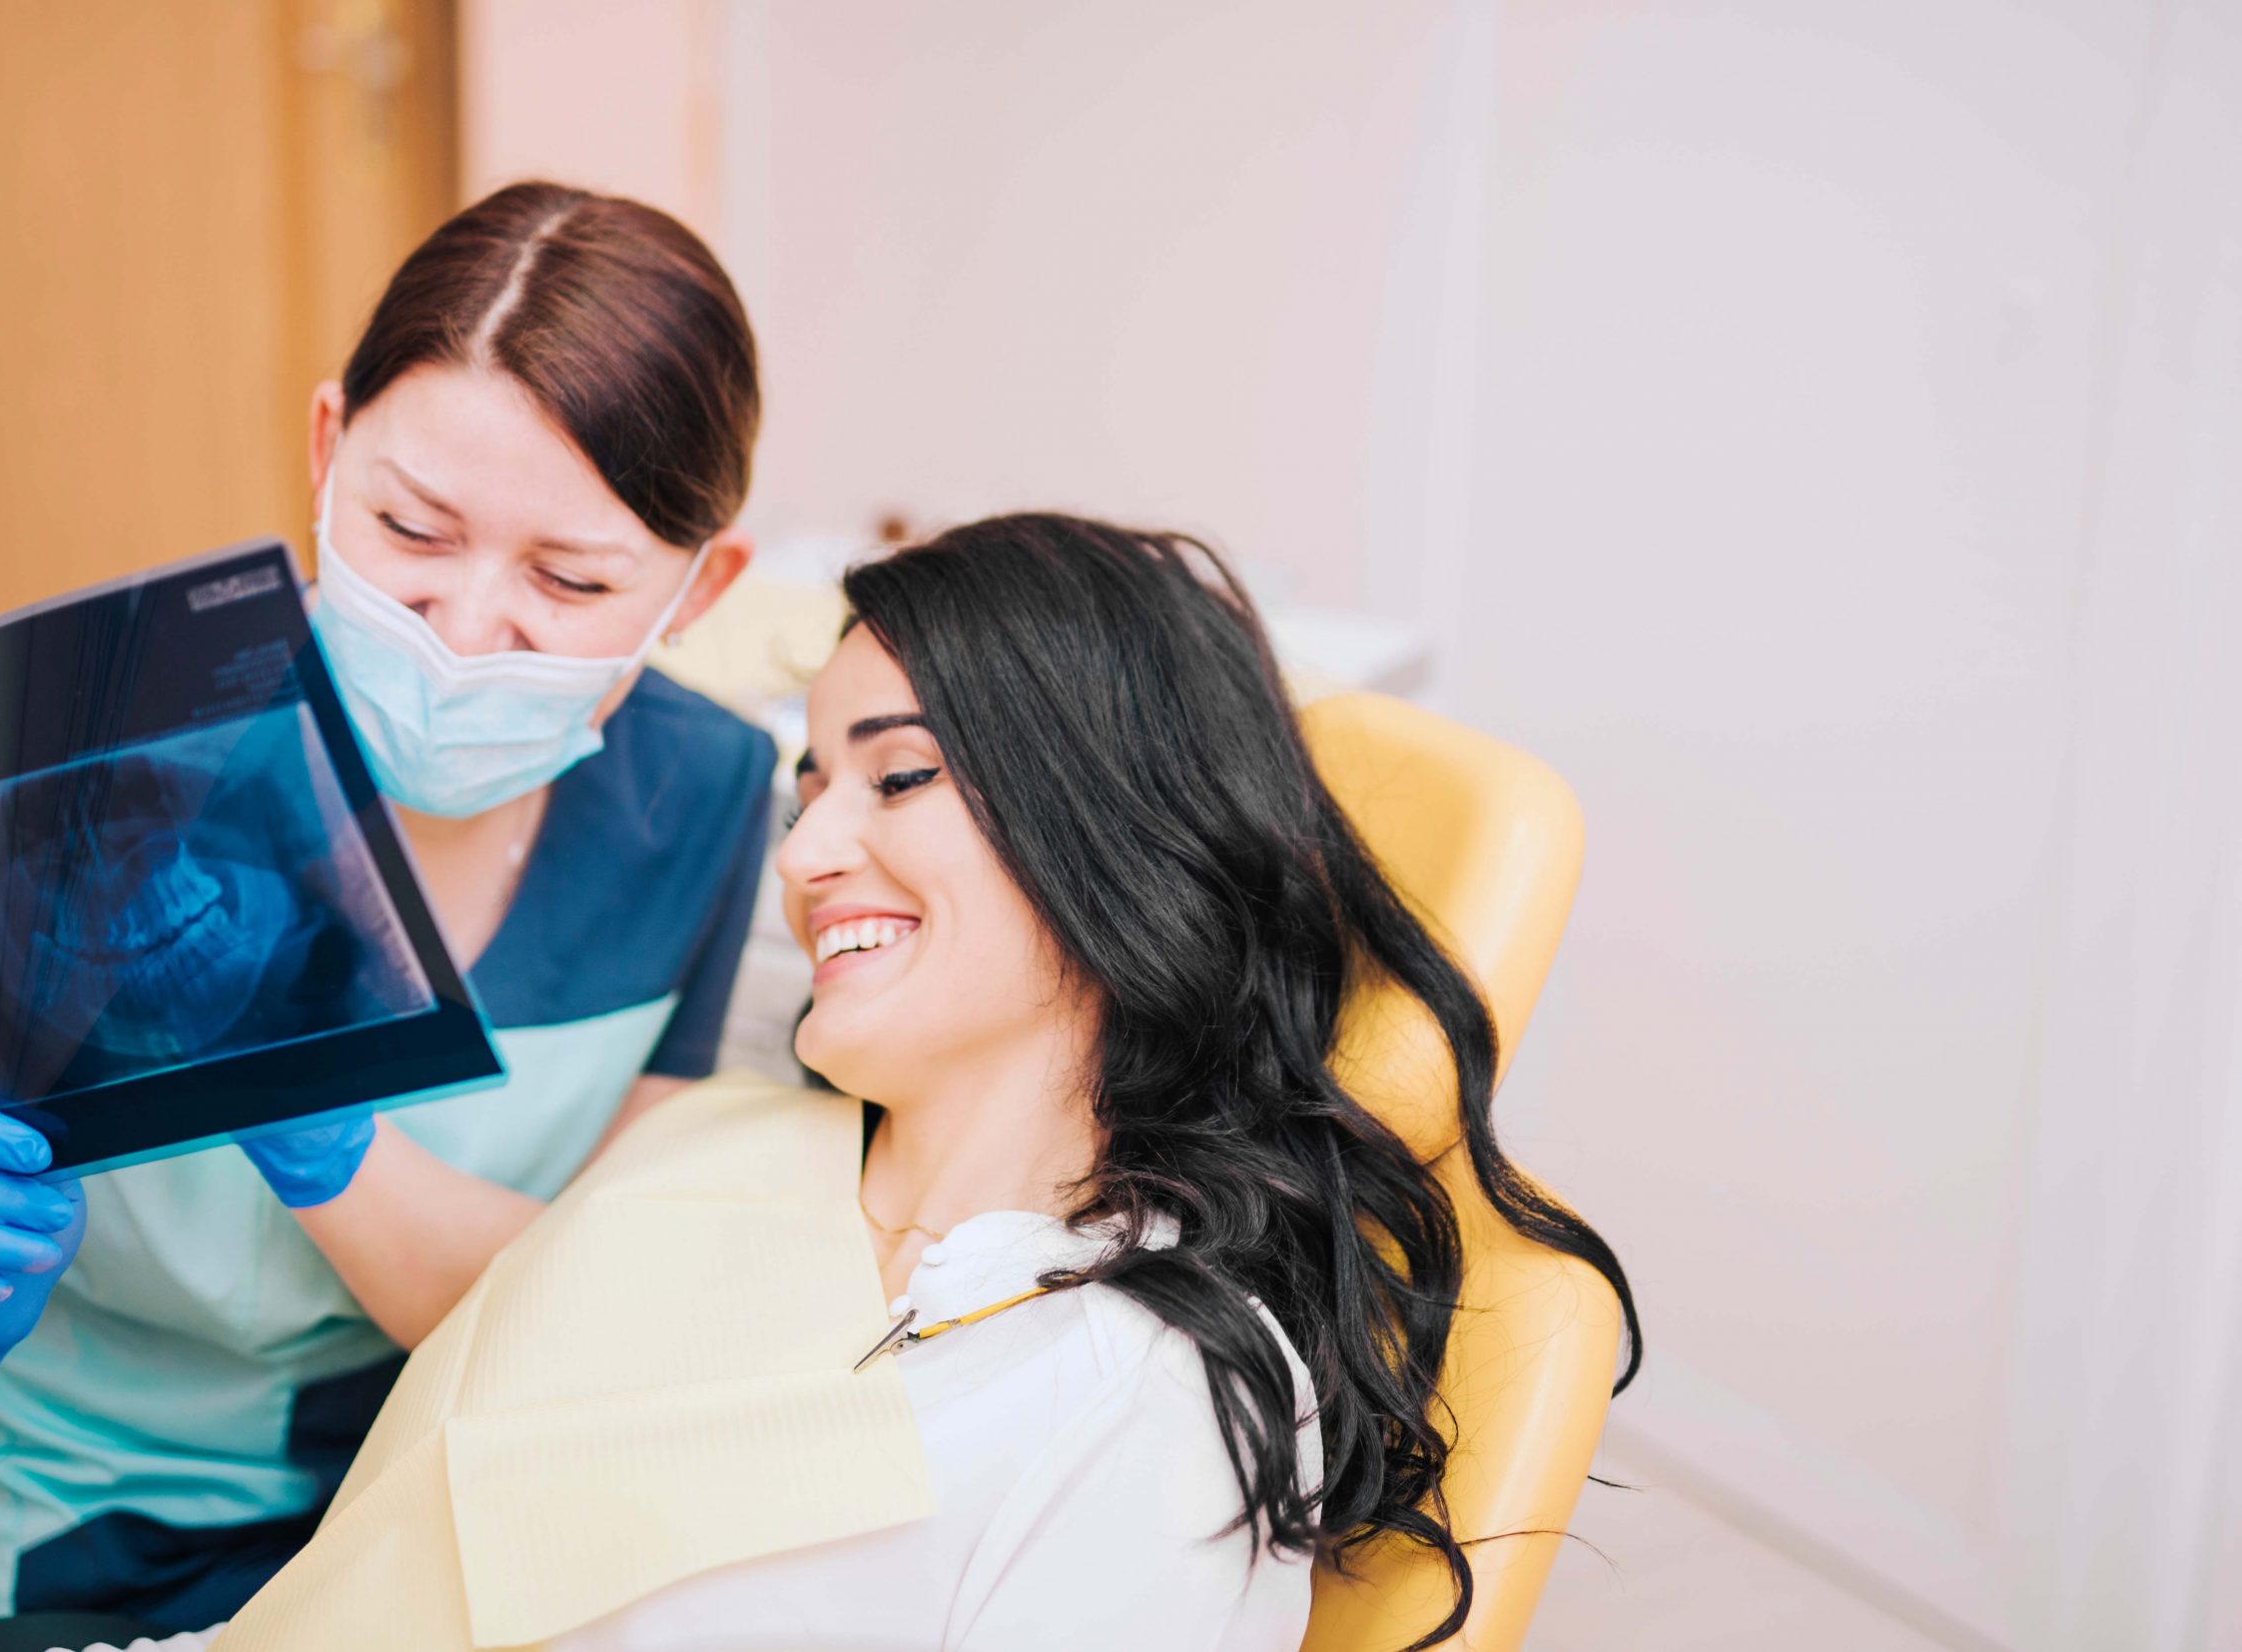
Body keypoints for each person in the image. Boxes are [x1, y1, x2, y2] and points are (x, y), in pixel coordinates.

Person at [194, 512, 1646, 1651]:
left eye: (897, 779)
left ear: (1109, 825)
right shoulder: (729, 1136)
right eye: (810, 785)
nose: (808, 852)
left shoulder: (1132, 1397)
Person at [0, 180, 777, 1628]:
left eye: (570, 577)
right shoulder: (89, 759)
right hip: (107, 1533)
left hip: (460, 1501)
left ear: (701, 587)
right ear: (326, 450)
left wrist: (325, 1130)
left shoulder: (703, 798)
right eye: (412, 529)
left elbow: (586, 1315)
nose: (468, 635)